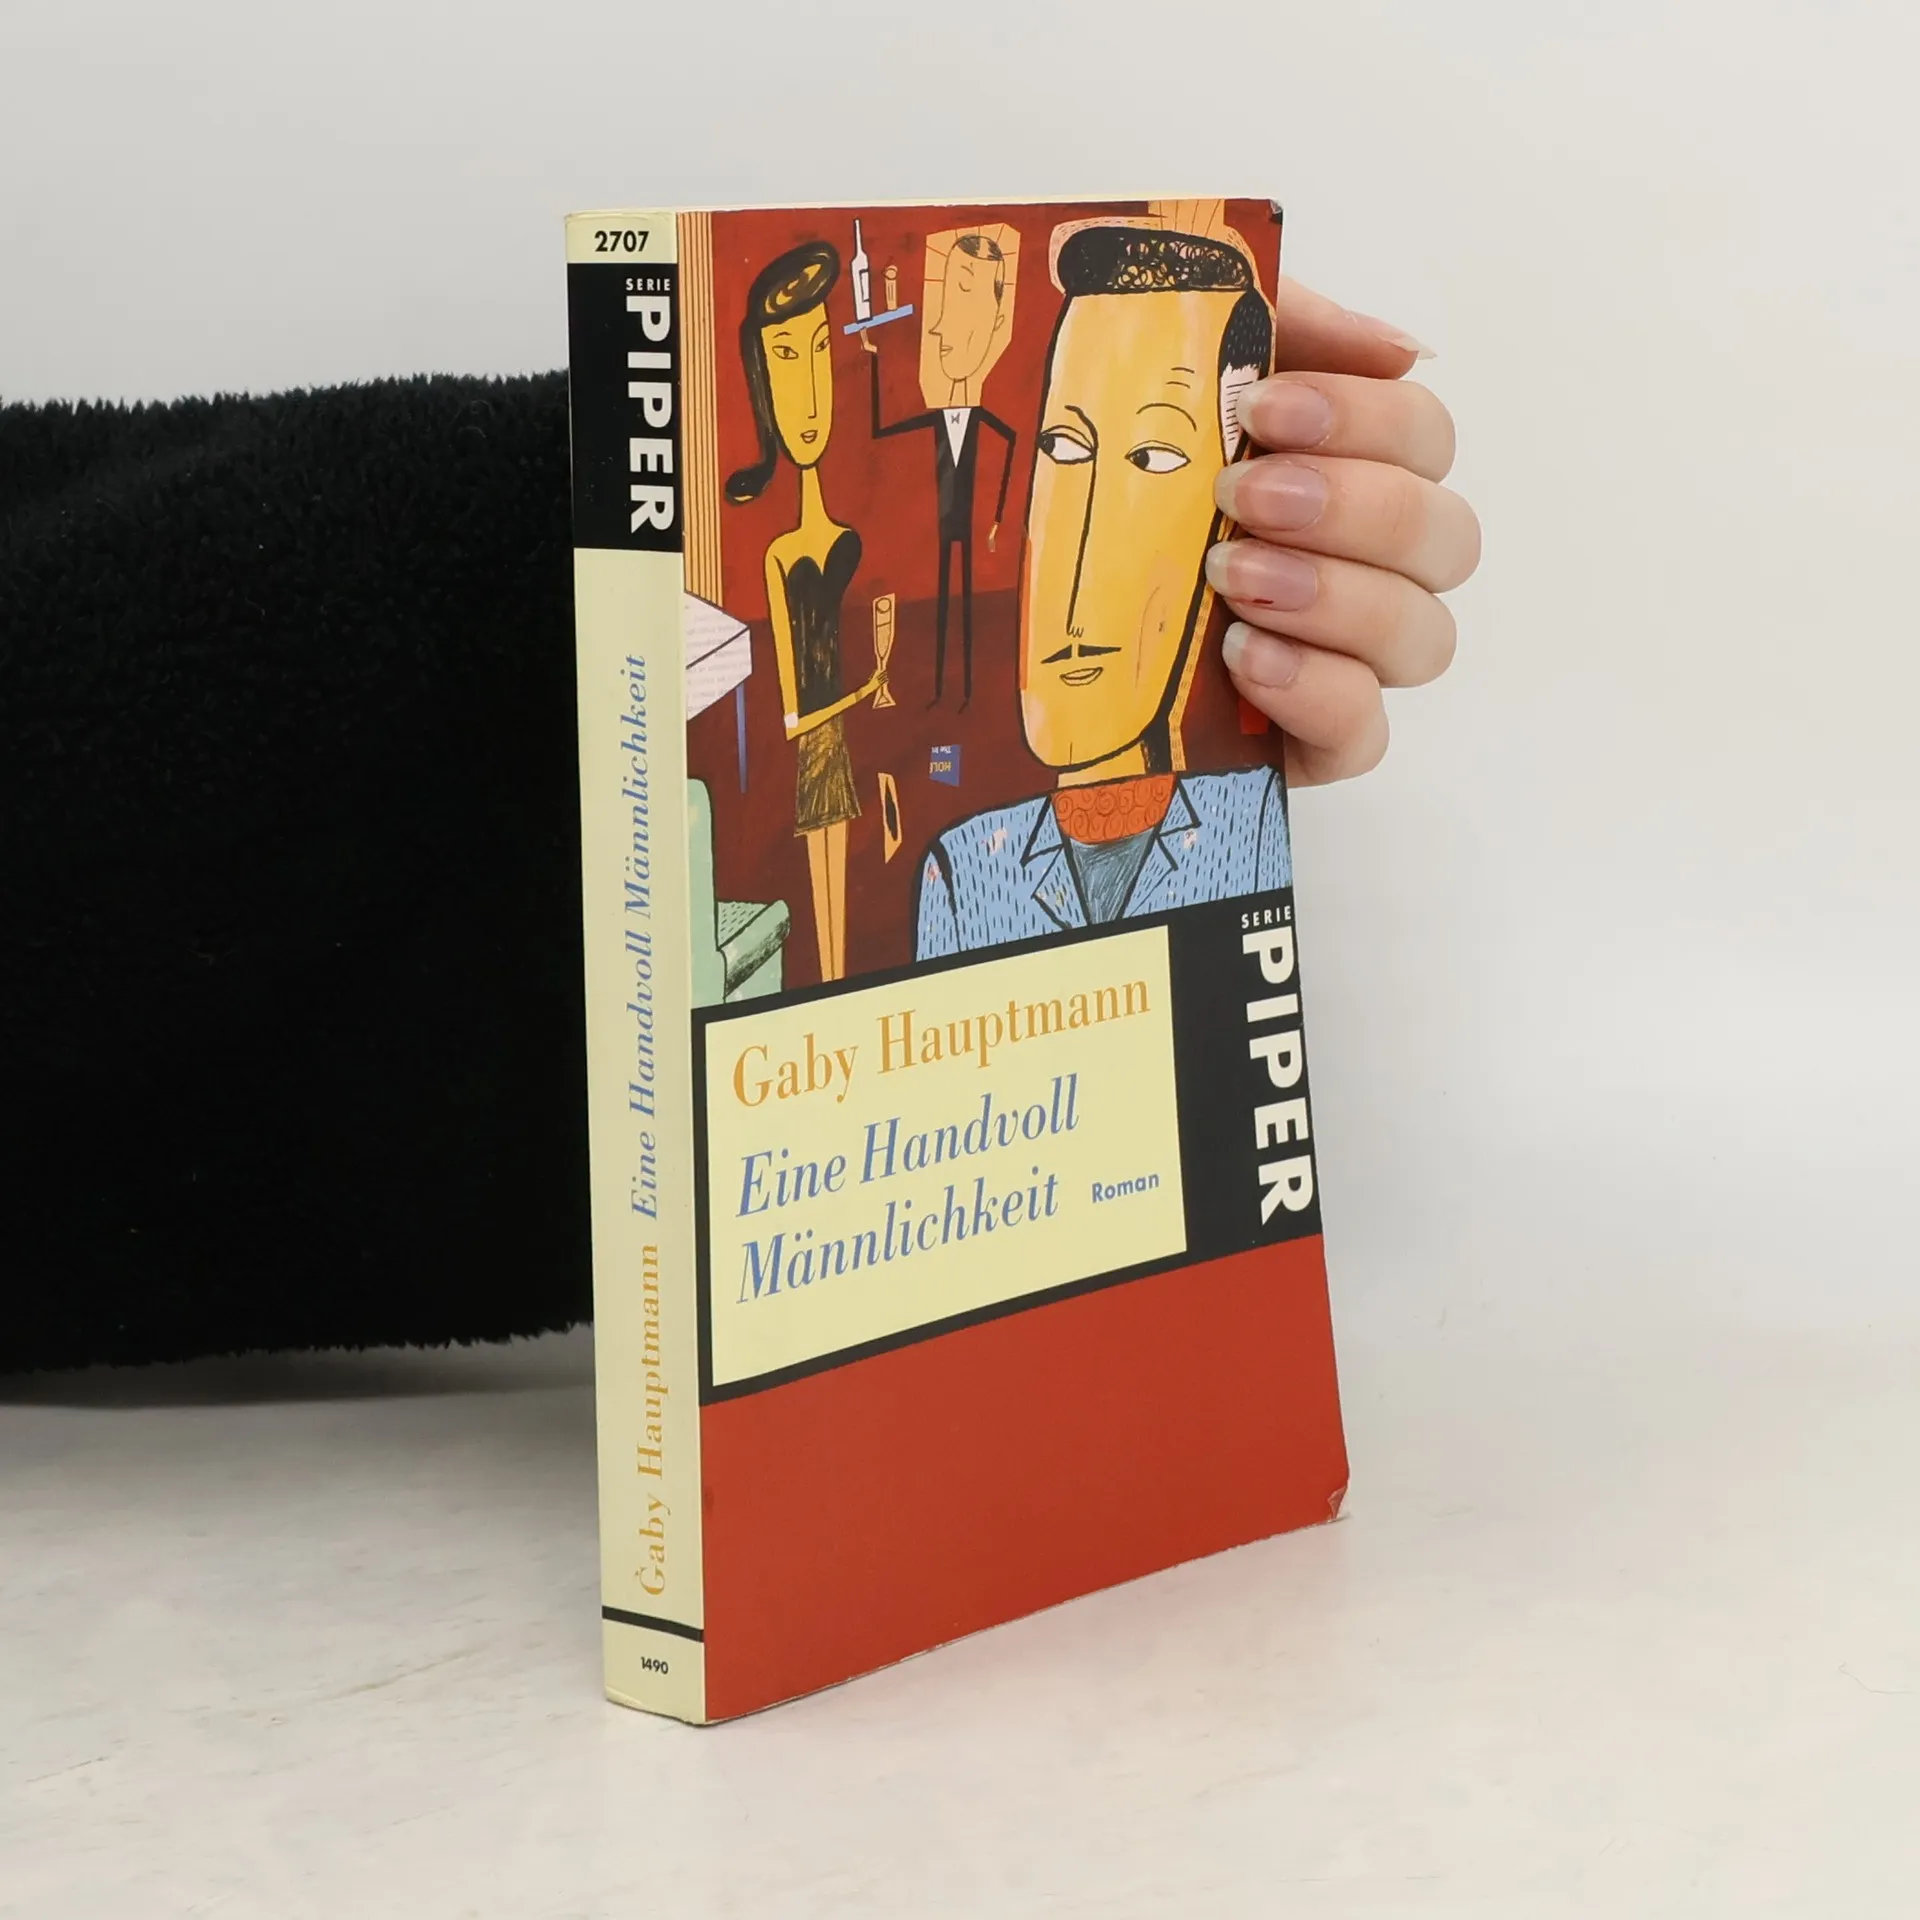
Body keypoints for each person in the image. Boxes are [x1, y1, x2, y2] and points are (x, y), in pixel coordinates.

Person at [917, 216, 1481, 958]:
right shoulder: (962, 873)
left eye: (1153, 458)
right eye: (1065, 447)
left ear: (1227, 517)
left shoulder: (1249, 826)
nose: (1081, 562)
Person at [725, 240, 886, 983]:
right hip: (819, 753)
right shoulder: (780, 556)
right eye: (787, 358)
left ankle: (839, 979)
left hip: (844, 745)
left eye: (820, 349)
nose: (812, 391)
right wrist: (862, 690)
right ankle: (829, 981)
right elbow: (795, 714)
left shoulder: (847, 535)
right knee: (824, 881)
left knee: (848, 878)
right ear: (762, 381)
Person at [862, 225, 1021, 709]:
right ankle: (937, 690)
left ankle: (966, 691)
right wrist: (874, 359)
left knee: (968, 609)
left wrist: (995, 522)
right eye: (945, 303)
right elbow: (881, 429)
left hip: (970, 532)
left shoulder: (994, 426)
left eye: (964, 303)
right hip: (938, 531)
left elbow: (1010, 455)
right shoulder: (931, 421)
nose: (937, 328)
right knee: (940, 608)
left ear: (998, 322)